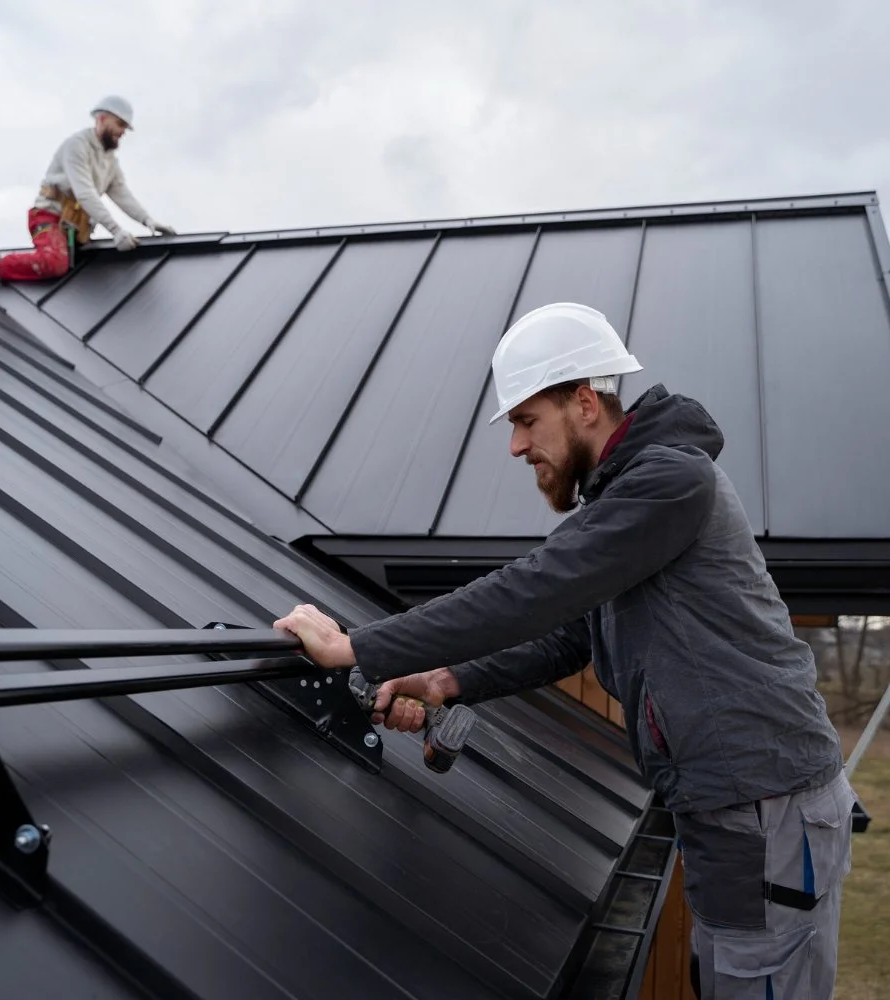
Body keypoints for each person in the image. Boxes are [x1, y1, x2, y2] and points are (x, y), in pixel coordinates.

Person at [274, 301, 857, 1000]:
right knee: (728, 975)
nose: (516, 447)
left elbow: (537, 589)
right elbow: (570, 634)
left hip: (767, 806)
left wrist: (354, 647)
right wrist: (445, 680)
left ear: (585, 402)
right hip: (733, 805)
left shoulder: (671, 483)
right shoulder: (629, 498)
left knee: (754, 981)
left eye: (525, 421)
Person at [0, 94, 176, 290]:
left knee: (93, 263)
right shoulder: (76, 146)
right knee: (54, 262)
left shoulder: (110, 161)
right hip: (48, 218)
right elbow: (85, 193)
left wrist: (148, 221)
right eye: (120, 124)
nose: (123, 132)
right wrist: (115, 230)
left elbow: (122, 194)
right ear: (102, 119)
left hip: (75, 229)